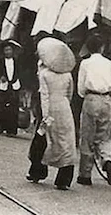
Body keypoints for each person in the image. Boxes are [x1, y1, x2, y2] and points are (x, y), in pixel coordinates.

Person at [27, 38, 78, 190]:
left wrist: (45, 115)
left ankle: (37, 171)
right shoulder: (68, 75)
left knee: (43, 139)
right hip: (64, 108)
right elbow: (70, 94)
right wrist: (64, 104)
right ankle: (64, 179)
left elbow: (45, 96)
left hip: (50, 109)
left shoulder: (44, 74)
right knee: (66, 142)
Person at [76, 36, 111, 186]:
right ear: (102, 47)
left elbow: (81, 89)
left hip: (91, 99)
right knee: (105, 135)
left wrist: (86, 95)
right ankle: (108, 161)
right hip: (107, 100)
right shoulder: (110, 64)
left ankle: (85, 174)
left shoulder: (85, 63)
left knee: (87, 136)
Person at [0, 40, 23, 136]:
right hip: (3, 86)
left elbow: (22, 73)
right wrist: (0, 76)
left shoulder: (17, 62)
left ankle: (12, 130)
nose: (8, 52)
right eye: (6, 50)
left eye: (9, 50)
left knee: (13, 108)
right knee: (1, 107)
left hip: (14, 86)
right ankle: (1, 126)